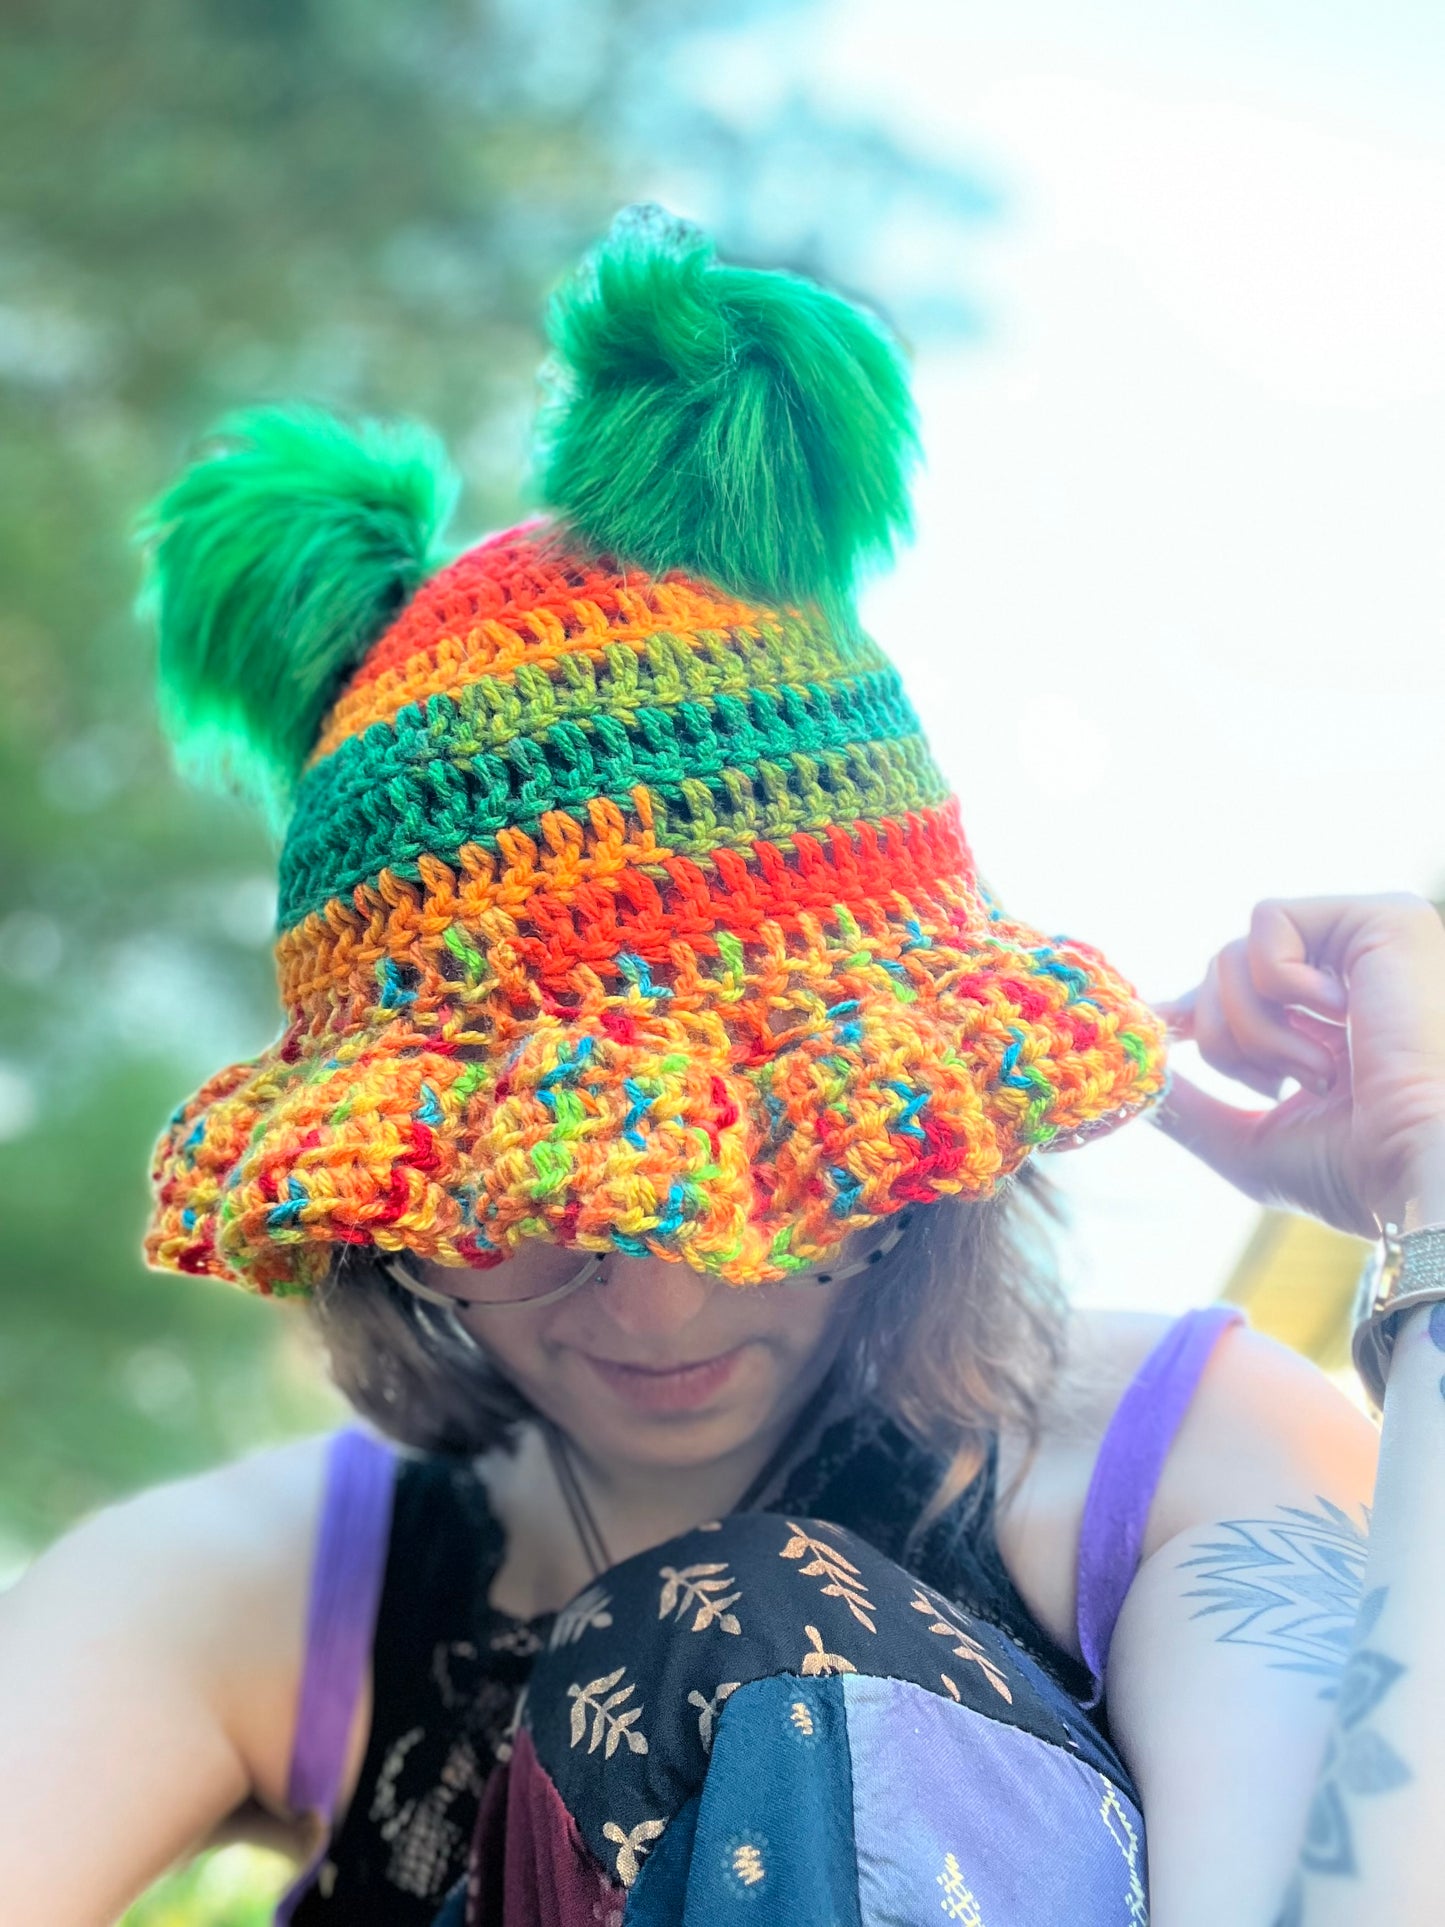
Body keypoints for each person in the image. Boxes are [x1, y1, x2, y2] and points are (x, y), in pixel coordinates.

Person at [3, 207, 1443, 1927]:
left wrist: (1432, 1210)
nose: (662, 1302)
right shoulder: (280, 1584)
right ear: (381, 1210)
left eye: (769, 1162)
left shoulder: (1170, 1457)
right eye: (519, 1204)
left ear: (921, 1134)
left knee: (746, 1640)